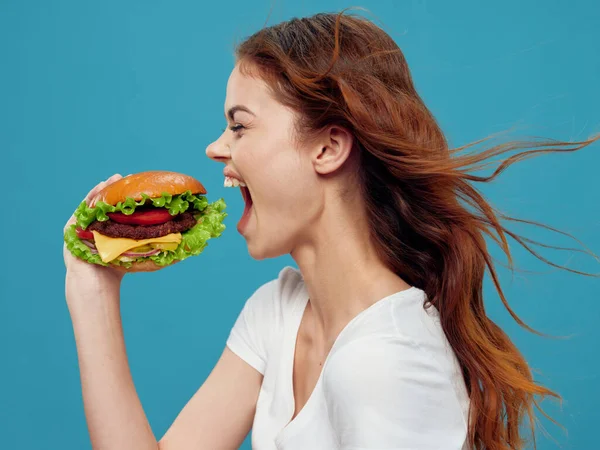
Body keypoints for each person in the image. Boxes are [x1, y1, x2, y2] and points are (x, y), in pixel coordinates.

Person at [63, 11, 600, 450]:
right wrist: (92, 289)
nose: (216, 148)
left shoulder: (386, 363)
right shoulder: (277, 311)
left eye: (239, 125)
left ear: (327, 148)